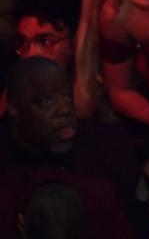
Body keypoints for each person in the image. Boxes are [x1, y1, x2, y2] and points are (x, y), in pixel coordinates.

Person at [0, 57, 139, 238]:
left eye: (67, 97)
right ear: (14, 110)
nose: (64, 110)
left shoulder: (107, 144)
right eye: (47, 101)